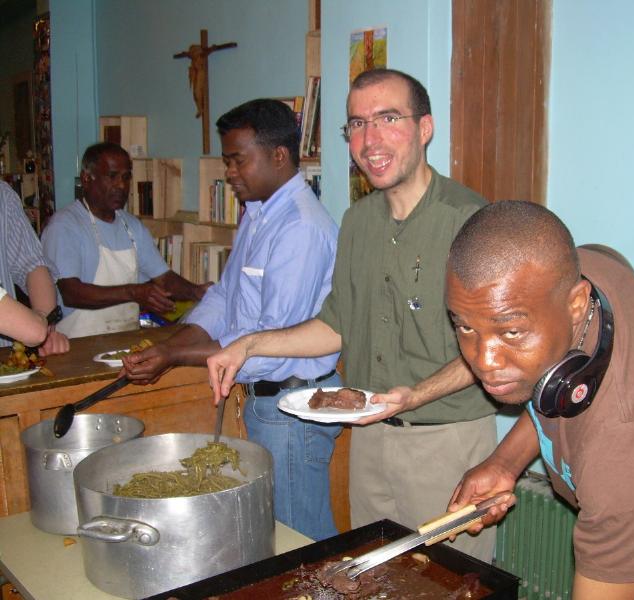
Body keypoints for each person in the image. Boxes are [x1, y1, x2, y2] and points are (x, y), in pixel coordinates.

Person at [207, 69, 498, 562]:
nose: (370, 140)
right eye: (357, 125)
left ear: (425, 128)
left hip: (445, 443)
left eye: (388, 119)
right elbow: (333, 326)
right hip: (368, 439)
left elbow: (493, 348)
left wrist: (414, 396)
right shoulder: (357, 222)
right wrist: (249, 345)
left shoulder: (470, 221)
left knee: (448, 584)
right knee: (374, 576)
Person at [445, 201, 634, 599]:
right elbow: (615, 260)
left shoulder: (630, 454)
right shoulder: (581, 268)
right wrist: (504, 464)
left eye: (510, 333)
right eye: (465, 326)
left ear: (576, 304)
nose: (483, 362)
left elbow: (627, 465)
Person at [120, 99, 341, 541]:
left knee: (301, 543)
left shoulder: (299, 227)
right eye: (226, 162)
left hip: (292, 407)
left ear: (279, 156)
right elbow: (224, 297)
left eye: (239, 160)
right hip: (266, 403)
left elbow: (274, 341)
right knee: (279, 539)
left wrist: (174, 354)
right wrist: (174, 341)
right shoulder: (257, 216)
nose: (230, 173)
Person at [41, 143, 209, 338]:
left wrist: (197, 292)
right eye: (112, 176)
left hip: (123, 339)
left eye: (126, 177)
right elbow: (71, 293)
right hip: (75, 343)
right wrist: (134, 292)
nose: (121, 185)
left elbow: (163, 278)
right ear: (86, 179)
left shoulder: (131, 226)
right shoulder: (64, 226)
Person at [0, 181, 69, 355]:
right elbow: (33, 331)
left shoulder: (3, 194)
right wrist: (38, 328)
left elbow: (32, 264)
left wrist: (46, 321)